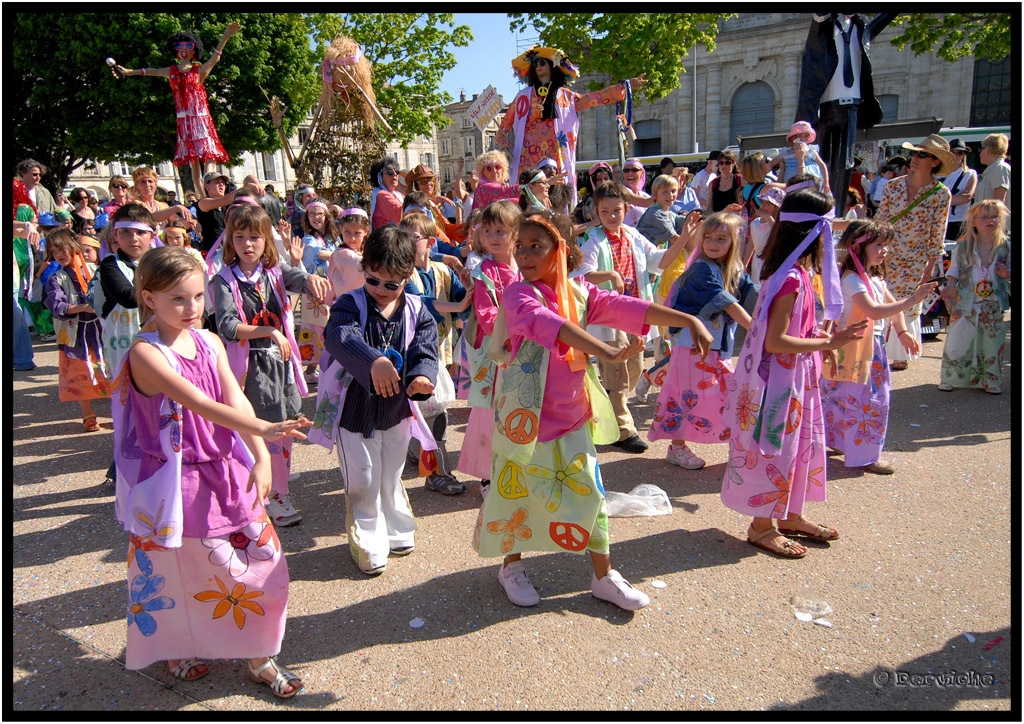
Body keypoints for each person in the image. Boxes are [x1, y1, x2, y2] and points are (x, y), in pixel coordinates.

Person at [473, 211, 711, 609]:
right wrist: (605, 350)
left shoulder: (579, 292)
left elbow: (629, 308)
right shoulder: (518, 293)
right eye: (521, 247)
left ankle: (603, 575)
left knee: (590, 495)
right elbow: (549, 324)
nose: (526, 255)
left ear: (562, 250)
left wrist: (686, 319)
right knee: (516, 495)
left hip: (571, 417)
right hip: (522, 420)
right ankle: (510, 566)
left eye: (537, 246)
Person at [113, 245, 307, 698]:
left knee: (264, 566)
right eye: (178, 298)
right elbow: (199, 403)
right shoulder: (147, 354)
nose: (192, 308)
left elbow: (232, 397)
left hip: (222, 466)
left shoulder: (210, 340)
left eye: (198, 296)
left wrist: (259, 454)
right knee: (177, 571)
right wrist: (266, 426)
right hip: (172, 479)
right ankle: (178, 646)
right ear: (148, 298)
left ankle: (260, 654)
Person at [721, 188, 868, 559]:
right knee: (777, 449)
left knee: (801, 446)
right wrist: (828, 345)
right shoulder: (789, 279)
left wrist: (819, 338)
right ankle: (761, 526)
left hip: (796, 378)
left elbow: (793, 331)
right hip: (780, 385)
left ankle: (789, 513)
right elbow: (776, 341)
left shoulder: (795, 272)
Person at [314, 225, 440, 575]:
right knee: (363, 474)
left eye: (391, 284)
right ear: (364, 271)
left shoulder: (417, 309)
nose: (381, 291)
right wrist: (374, 361)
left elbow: (424, 346)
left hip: (397, 406)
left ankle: (396, 520)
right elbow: (339, 337)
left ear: (407, 277)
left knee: (392, 468)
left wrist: (422, 375)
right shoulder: (348, 305)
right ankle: (367, 531)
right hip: (354, 407)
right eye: (373, 281)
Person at [212, 205, 329, 527]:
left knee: (285, 431)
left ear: (267, 240)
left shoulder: (274, 274)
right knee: (254, 432)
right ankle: (261, 494)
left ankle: (279, 491)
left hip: (282, 367)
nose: (248, 244)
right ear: (230, 241)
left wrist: (312, 279)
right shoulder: (223, 281)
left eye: (255, 237)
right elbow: (227, 325)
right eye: (240, 237)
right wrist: (269, 331)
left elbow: (300, 279)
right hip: (250, 369)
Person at [576, 182, 690, 453]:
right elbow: (581, 275)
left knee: (634, 368)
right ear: (597, 212)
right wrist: (609, 276)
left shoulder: (633, 235)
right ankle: (623, 430)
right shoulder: (593, 239)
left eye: (617, 210)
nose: (612, 216)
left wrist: (684, 238)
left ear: (627, 209)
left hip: (636, 314)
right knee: (616, 375)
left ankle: (604, 417)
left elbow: (659, 262)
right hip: (610, 316)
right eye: (605, 211)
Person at [821, 219, 937, 475]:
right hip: (858, 349)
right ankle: (863, 455)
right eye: (879, 244)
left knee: (847, 398)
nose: (885, 250)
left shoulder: (872, 277)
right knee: (867, 402)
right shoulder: (852, 279)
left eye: (887, 244)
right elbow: (873, 310)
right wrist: (913, 299)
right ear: (857, 246)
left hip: (863, 348)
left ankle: (845, 443)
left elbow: (890, 305)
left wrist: (903, 330)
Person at [649, 212, 756, 469]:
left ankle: (738, 444)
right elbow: (729, 305)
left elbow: (754, 293)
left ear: (734, 242)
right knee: (686, 396)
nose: (713, 243)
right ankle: (677, 447)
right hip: (692, 346)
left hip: (714, 347)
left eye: (721, 238)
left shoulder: (729, 268)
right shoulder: (700, 269)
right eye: (707, 237)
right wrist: (757, 330)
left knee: (728, 392)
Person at [496, 45, 644, 208]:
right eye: (536, 64)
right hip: (528, 158)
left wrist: (624, 87)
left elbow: (592, 98)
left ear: (552, 67)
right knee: (527, 201)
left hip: (557, 157)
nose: (538, 67)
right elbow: (503, 129)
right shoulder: (522, 97)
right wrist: (505, 148)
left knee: (558, 200)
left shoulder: (565, 96)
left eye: (542, 63)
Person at [111, 23, 238, 193]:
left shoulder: (198, 71)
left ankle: (211, 189)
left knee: (209, 156)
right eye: (180, 45)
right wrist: (128, 71)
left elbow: (215, 57)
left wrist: (226, 35)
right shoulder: (171, 71)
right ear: (175, 50)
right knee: (193, 163)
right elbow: (149, 71)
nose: (184, 49)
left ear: (194, 50)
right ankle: (203, 198)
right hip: (184, 120)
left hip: (199, 118)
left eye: (188, 45)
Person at [456, 201, 523, 498]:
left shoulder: (525, 266)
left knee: (518, 407)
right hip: (496, 350)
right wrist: (514, 336)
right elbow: (485, 314)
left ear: (516, 233)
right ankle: (487, 475)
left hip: (521, 349)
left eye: (501, 230)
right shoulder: (485, 271)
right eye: (488, 231)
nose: (494, 237)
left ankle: (514, 468)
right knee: (489, 412)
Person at [875, 134, 954, 371]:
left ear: (935, 161)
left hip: (916, 257)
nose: (915, 158)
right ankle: (878, 349)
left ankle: (900, 352)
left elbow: (938, 232)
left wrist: (930, 265)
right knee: (883, 296)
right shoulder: (893, 186)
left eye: (922, 154)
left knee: (909, 302)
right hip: (887, 253)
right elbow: (880, 221)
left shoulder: (941, 193)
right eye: (914, 153)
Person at [938, 200, 1011, 395]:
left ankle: (990, 380)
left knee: (991, 343)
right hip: (966, 301)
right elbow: (953, 271)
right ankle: (950, 378)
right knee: (958, 341)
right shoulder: (964, 246)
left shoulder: (1007, 247)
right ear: (973, 221)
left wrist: (1007, 275)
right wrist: (950, 287)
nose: (990, 220)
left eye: (994, 216)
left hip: (993, 303)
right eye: (984, 217)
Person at [43, 229, 112, 431]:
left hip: (101, 330)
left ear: (74, 246)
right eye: (53, 251)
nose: (59, 255)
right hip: (76, 334)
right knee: (79, 371)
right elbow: (57, 306)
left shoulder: (96, 270)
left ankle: (116, 408)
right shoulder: (56, 278)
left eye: (62, 248)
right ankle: (87, 413)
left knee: (107, 367)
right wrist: (81, 307)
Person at [100, 203, 157, 373]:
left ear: (152, 236)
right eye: (126, 232)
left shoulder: (162, 262)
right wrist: (166, 295)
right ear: (115, 234)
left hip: (159, 335)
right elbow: (127, 297)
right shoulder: (110, 265)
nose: (133, 238)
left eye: (140, 232)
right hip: (123, 341)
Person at [297, 200, 341, 381]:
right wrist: (346, 255)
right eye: (312, 214)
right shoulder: (308, 239)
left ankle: (314, 371)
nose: (316, 217)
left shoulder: (333, 238)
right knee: (319, 328)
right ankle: (316, 371)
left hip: (331, 289)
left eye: (320, 214)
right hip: (316, 291)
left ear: (327, 216)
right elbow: (320, 254)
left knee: (325, 327)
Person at [197, 172, 260, 253]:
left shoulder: (229, 205)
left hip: (229, 250)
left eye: (223, 183)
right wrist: (245, 188)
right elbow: (224, 200)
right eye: (216, 182)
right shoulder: (203, 203)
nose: (221, 185)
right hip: (212, 252)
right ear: (206, 186)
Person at [769, 121, 829, 194]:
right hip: (792, 184)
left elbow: (822, 165)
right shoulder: (786, 152)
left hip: (811, 184)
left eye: (806, 136)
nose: (803, 138)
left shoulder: (811, 151)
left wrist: (826, 182)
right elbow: (771, 164)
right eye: (800, 136)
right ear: (793, 138)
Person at [327, 208, 371, 302]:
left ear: (366, 231)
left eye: (357, 233)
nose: (352, 238)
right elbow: (359, 263)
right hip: (346, 303)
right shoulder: (341, 254)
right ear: (341, 229)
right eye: (347, 232)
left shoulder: (365, 251)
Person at [942, 139, 978, 241]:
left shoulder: (969, 174)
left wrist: (941, 200)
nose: (956, 156)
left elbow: (966, 197)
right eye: (952, 152)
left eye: (960, 153)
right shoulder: (939, 174)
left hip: (959, 221)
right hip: (940, 220)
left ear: (964, 155)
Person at [974, 133, 1011, 217]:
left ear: (988, 150)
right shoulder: (992, 170)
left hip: (995, 226)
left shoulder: (1000, 169)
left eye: (981, 148)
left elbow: (999, 203)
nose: (980, 154)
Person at [369, 158, 404, 231]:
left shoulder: (398, 195)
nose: (395, 174)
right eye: (390, 172)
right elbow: (406, 212)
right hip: (385, 239)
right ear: (379, 177)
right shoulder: (381, 195)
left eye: (397, 171)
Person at [621, 158, 652, 228]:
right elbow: (645, 202)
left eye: (634, 170)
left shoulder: (645, 195)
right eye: (626, 170)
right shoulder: (621, 191)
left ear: (642, 173)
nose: (630, 173)